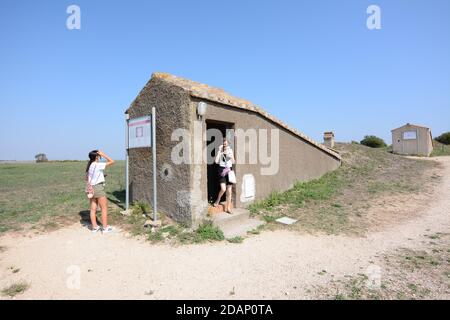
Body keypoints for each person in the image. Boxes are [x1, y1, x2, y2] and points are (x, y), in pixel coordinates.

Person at [85, 150, 115, 233]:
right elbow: (112, 161)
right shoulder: (98, 165)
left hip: (90, 188)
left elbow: (86, 178)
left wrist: (101, 176)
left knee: (92, 209)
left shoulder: (90, 165)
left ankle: (95, 227)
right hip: (98, 188)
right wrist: (103, 154)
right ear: (97, 157)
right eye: (99, 156)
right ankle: (105, 228)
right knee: (104, 208)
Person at [213, 138, 236, 214]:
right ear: (222, 144)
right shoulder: (220, 151)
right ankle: (218, 199)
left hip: (229, 171)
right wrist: (219, 151)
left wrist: (231, 156)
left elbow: (233, 161)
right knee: (223, 189)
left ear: (228, 144)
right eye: (224, 144)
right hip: (222, 170)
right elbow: (216, 161)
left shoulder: (230, 151)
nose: (225, 145)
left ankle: (228, 208)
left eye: (226, 144)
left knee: (229, 191)